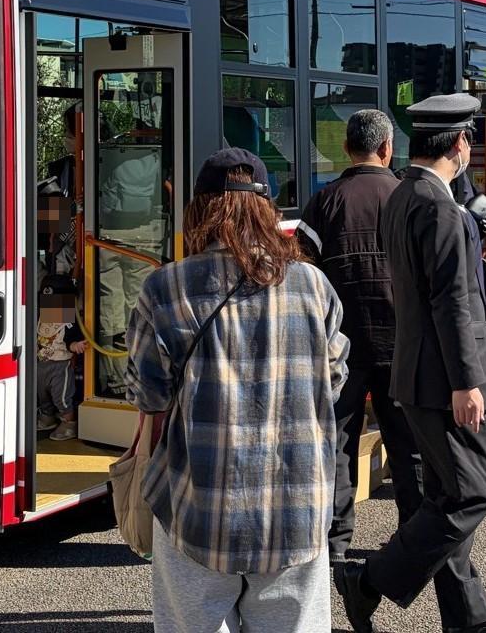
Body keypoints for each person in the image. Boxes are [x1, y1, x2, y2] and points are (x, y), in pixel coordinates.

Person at [126, 148, 348, 633]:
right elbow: (333, 379)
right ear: (269, 210)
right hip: (297, 508)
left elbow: (149, 396)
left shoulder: (164, 289)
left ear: (199, 209)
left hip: (198, 507)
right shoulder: (313, 286)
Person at [336, 93, 486, 633]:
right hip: (447, 380)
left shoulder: (404, 196)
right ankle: (368, 579)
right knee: (468, 497)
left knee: (446, 499)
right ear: (462, 143)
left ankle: (467, 620)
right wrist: (468, 381)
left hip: (417, 374)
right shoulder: (438, 205)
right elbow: (452, 301)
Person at [295, 109, 423, 569]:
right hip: (403, 345)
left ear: (346, 149)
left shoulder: (324, 202)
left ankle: (333, 543)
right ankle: (413, 538)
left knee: (336, 444)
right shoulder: (410, 198)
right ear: (387, 148)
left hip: (339, 346)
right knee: (408, 445)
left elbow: (303, 274)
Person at [35, 275, 85, 440]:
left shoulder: (68, 320)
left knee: (61, 396)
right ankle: (47, 416)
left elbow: (71, 338)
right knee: (41, 393)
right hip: (41, 362)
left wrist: (75, 345)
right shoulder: (40, 316)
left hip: (60, 365)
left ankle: (69, 422)